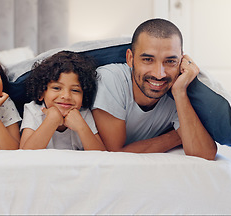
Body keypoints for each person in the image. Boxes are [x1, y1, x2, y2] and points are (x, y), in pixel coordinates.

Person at [92, 18, 217, 160]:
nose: (159, 74)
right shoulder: (111, 79)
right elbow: (115, 154)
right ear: (130, 58)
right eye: (148, 60)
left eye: (170, 61)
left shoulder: (178, 88)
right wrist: (177, 136)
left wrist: (180, 93)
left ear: (181, 61)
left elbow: (204, 154)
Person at [20, 51, 106, 150]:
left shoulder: (83, 114)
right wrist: (51, 120)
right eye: (56, 88)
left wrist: (81, 127)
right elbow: (25, 153)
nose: (66, 96)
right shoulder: (33, 111)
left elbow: (101, 155)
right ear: (41, 93)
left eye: (75, 90)